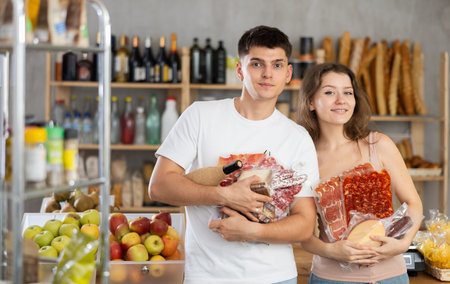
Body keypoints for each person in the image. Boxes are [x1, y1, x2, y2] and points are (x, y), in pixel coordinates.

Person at [149, 25, 319, 284]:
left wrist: (251, 231)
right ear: (240, 70)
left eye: (277, 65)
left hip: (275, 277)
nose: (267, 74)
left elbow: (305, 224)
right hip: (207, 277)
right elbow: (159, 187)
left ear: (288, 73)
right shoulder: (200, 116)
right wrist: (224, 195)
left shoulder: (297, 137)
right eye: (257, 64)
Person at [297, 62, 423, 283]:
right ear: (310, 102)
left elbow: (413, 203)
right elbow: (300, 231)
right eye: (329, 92)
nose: (341, 100)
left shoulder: (378, 144)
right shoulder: (303, 158)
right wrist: (332, 251)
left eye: (348, 92)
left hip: (390, 275)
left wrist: (402, 244)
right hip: (331, 278)